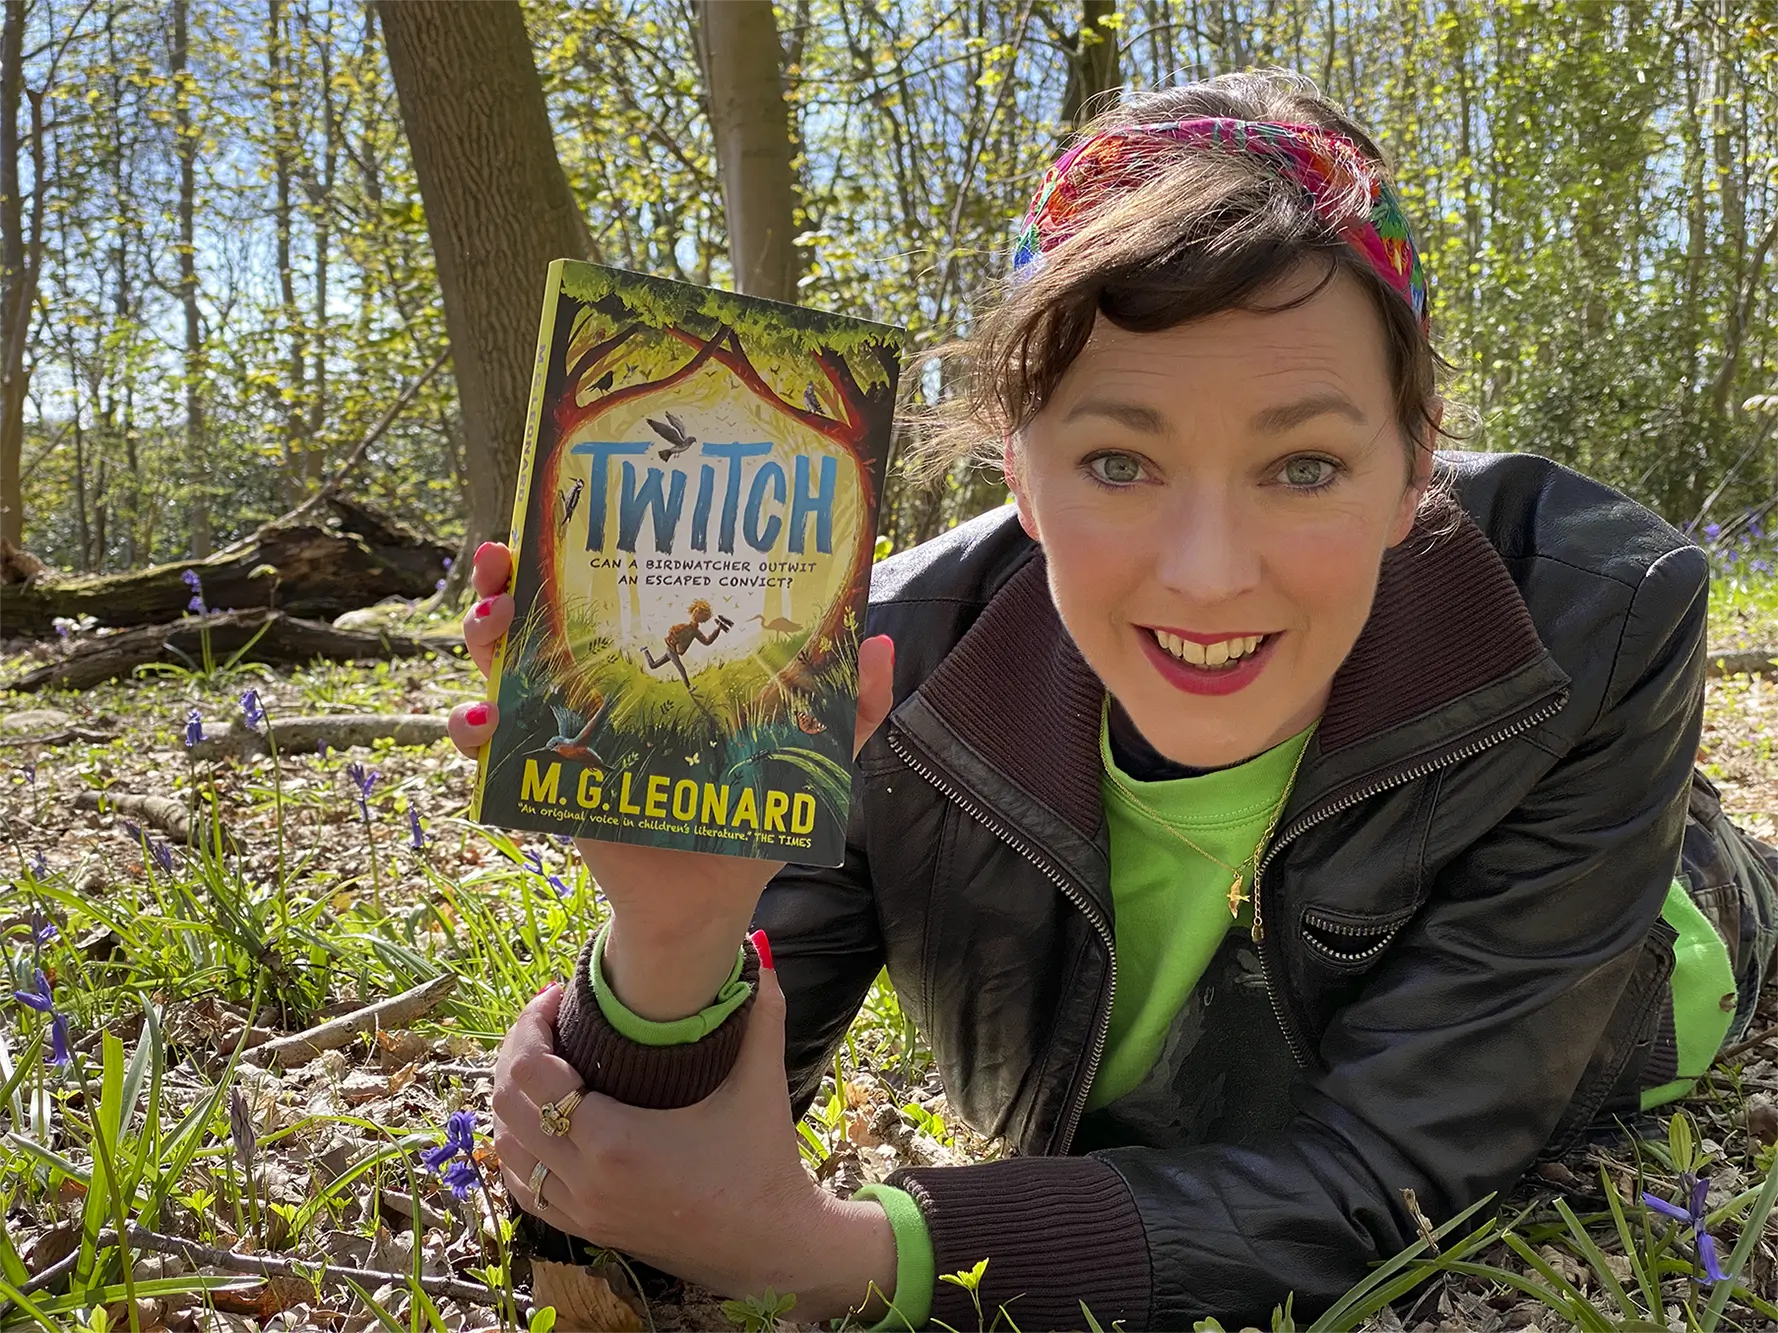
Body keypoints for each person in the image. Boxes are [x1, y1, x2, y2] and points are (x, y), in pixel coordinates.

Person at [447, 69, 1778, 1332]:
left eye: (1304, 465)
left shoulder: (1592, 611)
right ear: (1017, 475)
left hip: (1661, 937)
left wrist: (840, 1251)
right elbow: (637, 1221)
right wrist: (669, 941)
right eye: (1115, 461)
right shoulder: (862, 665)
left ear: (1414, 464)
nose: (1206, 575)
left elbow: (1399, 1171)